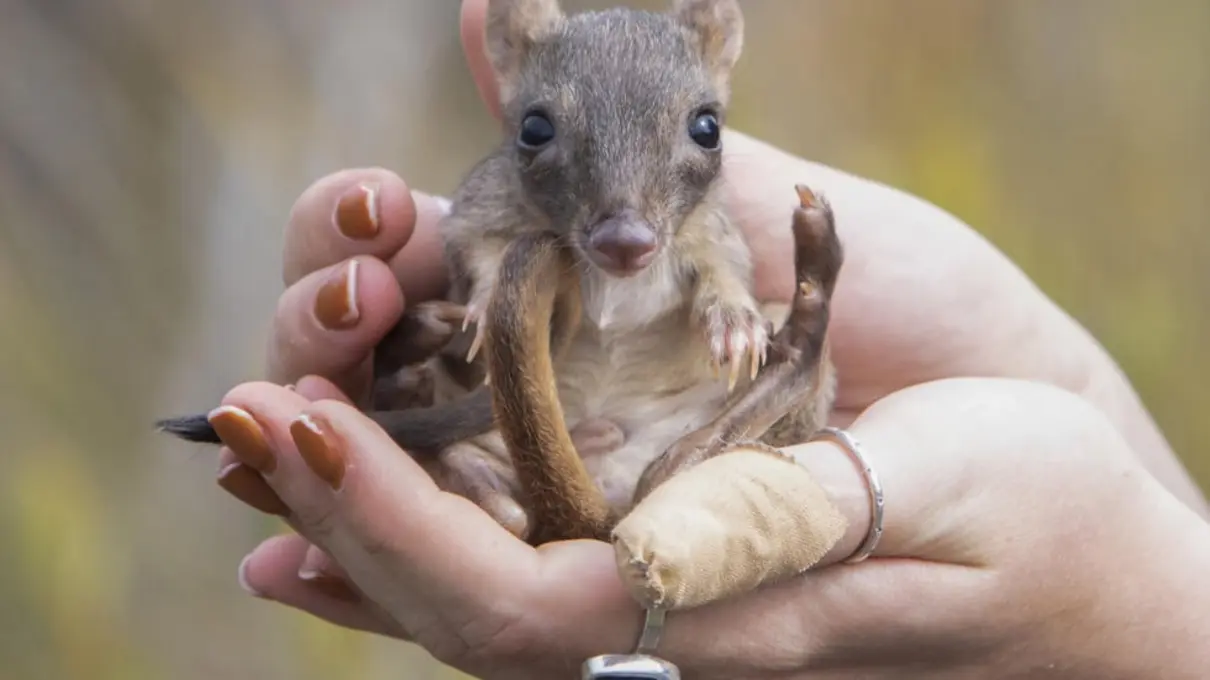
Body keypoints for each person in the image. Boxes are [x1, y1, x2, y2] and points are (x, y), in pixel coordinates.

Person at [202, 1, 1210, 677]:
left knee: (775, 345)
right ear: (509, 64)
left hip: (674, 424)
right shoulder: (508, 210)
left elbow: (722, 262)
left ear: (719, 68)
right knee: (409, 369)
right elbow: (476, 233)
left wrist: (736, 306)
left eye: (696, 141)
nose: (628, 219)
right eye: (549, 140)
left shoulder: (705, 223)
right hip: (560, 429)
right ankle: (479, 453)